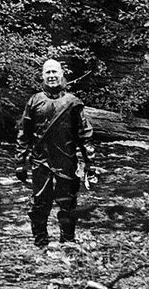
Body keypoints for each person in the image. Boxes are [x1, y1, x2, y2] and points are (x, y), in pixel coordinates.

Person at [15, 59, 94, 248]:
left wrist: (90, 163)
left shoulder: (73, 103)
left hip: (66, 160)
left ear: (62, 74)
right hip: (40, 161)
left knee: (68, 204)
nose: (51, 76)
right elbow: (23, 133)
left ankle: (67, 242)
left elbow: (84, 135)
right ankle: (40, 243)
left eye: (54, 72)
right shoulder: (34, 101)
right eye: (47, 72)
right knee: (40, 205)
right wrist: (20, 162)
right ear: (42, 76)